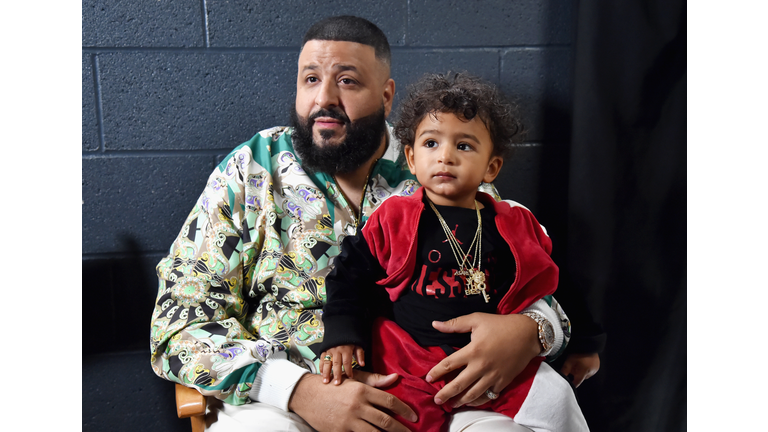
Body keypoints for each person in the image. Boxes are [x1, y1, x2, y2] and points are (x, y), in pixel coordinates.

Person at [150, 15, 589, 432]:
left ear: (385, 95)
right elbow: (178, 323)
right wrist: (295, 391)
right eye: (310, 79)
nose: (324, 99)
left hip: (442, 391)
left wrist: (533, 330)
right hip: (284, 400)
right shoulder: (253, 171)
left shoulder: (438, 162)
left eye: (346, 80)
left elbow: (533, 276)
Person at [319, 73, 589, 431]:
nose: (445, 156)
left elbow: (553, 281)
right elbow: (348, 277)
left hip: (491, 360)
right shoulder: (392, 218)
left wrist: (585, 343)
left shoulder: (514, 222)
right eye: (432, 144)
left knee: (557, 397)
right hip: (409, 359)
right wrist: (342, 334)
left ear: (491, 167)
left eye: (464, 146)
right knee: (393, 421)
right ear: (412, 159)